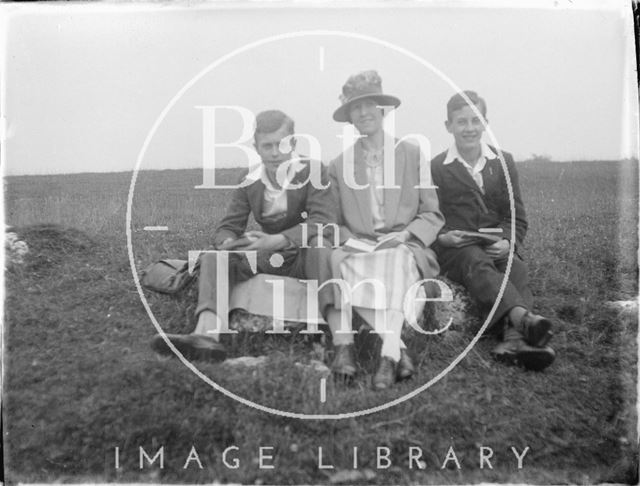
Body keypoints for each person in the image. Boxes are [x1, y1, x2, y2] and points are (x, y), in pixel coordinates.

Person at [150, 110, 335, 361]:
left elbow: (322, 222)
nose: (274, 153)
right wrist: (230, 242)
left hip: (303, 257)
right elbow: (228, 225)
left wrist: (277, 240)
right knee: (216, 258)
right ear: (256, 148)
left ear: (293, 143)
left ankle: (339, 335)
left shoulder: (313, 170)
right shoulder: (249, 178)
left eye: (281, 144)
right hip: (266, 257)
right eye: (266, 146)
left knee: (320, 246)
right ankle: (206, 335)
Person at [320, 70, 444, 390]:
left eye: (369, 105)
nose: (363, 113)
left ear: (383, 110)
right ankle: (397, 351)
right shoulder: (339, 165)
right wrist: (351, 239)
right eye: (355, 108)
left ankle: (386, 360)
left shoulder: (412, 154)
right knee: (340, 264)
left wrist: (403, 236)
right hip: (360, 245)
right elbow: (332, 221)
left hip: (402, 242)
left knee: (398, 261)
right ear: (349, 117)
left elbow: (432, 213)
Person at [431, 90, 556, 371]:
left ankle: (512, 340)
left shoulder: (503, 162)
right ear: (448, 126)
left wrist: (508, 241)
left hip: (495, 245)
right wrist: (443, 236)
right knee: (477, 261)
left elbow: (516, 216)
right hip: (458, 250)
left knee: (516, 267)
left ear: (485, 123)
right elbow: (432, 215)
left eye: (475, 120)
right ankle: (524, 319)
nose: (469, 128)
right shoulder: (436, 167)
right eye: (461, 122)